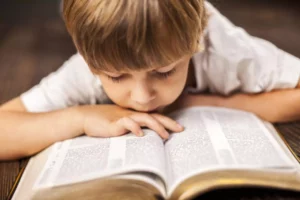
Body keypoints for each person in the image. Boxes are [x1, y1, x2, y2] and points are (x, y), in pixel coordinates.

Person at [1, 0, 300, 160]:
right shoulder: (88, 66)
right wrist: (82, 117)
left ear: (196, 40)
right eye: (117, 77)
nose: (143, 97)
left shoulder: (224, 48)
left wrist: (195, 101)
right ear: (88, 60)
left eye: (165, 71)